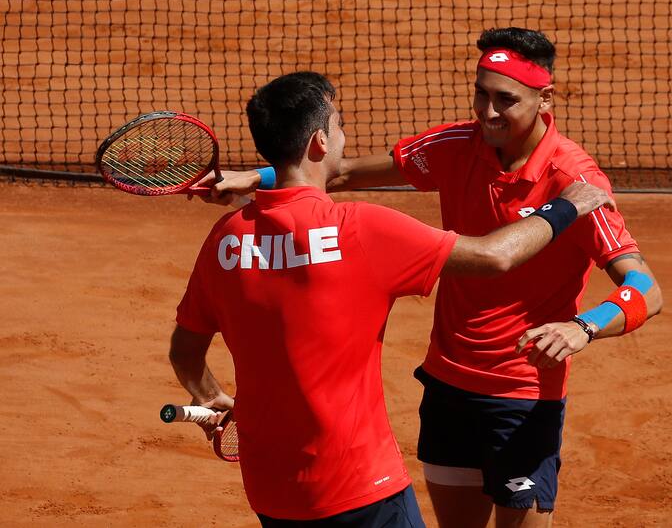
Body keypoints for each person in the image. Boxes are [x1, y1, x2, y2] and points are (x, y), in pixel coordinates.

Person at [172, 70, 613, 527]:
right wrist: (568, 205)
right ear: (320, 141)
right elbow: (494, 256)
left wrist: (213, 397)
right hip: (361, 486)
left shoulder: (224, 240)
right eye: (339, 126)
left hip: (271, 491)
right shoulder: (362, 230)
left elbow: (184, 352)